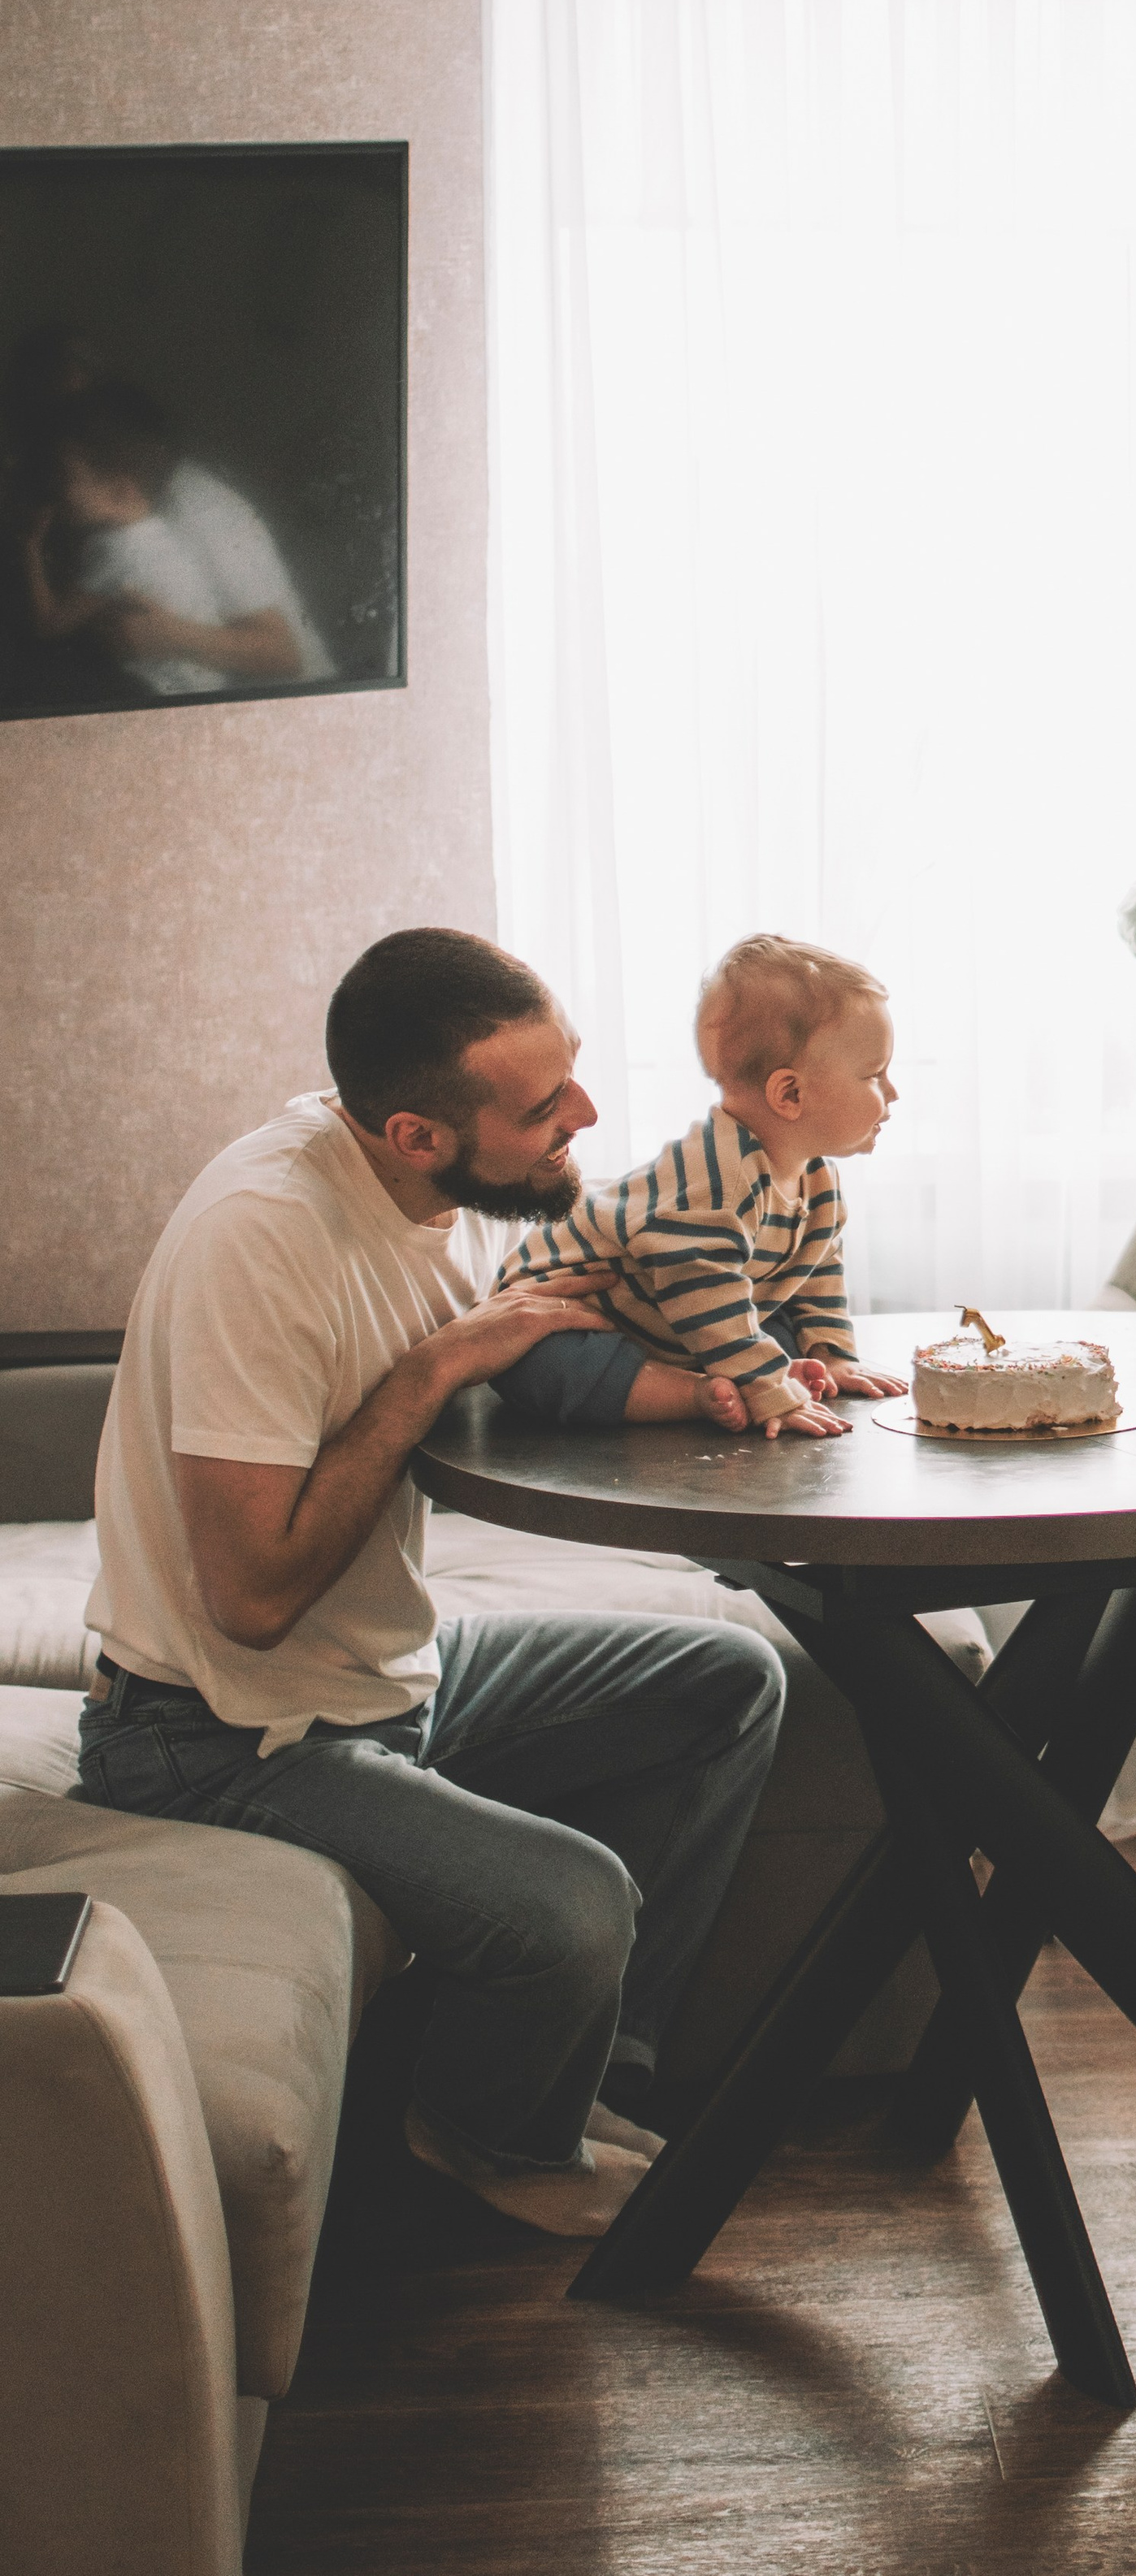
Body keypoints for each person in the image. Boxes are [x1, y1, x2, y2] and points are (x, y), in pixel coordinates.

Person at [75, 929, 785, 2240]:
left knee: (731, 1678)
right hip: (218, 1735)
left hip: (378, 1680)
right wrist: (433, 1369)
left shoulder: (422, 1187)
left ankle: (589, 2081)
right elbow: (250, 1599)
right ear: (415, 1133)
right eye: (544, 1108)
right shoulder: (264, 1241)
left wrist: (702, 1381)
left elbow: (521, 1339)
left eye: (568, 1075)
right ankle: (483, 2136)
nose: (585, 1118)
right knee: (574, 1907)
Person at [492, 933, 907, 1440]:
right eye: (875, 1075)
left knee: (772, 1324)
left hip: (677, 1319)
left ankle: (735, 1373)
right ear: (790, 1093)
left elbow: (816, 1268)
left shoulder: (817, 1178)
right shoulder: (716, 1178)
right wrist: (764, 1384)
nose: (893, 1093)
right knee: (545, 1366)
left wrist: (832, 1353)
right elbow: (701, 1281)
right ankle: (694, 1394)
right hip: (573, 1311)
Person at [26, 381, 332, 697]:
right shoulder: (127, 509)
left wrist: (170, 636)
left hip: (292, 700)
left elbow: (285, 657)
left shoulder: (193, 502)